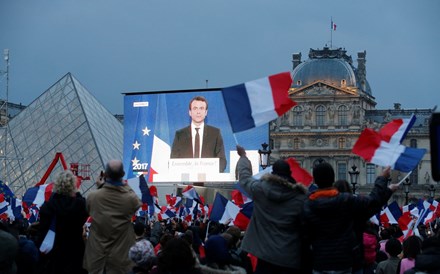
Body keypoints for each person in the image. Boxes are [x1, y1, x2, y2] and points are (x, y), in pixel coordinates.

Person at [303, 162, 398, 274]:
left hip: (319, 262)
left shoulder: (307, 205)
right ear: (333, 178)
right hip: (344, 261)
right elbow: (372, 202)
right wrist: (383, 180)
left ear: (314, 180)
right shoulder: (346, 200)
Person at [235, 145, 308, 274]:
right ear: (290, 175)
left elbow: (245, 178)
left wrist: (243, 157)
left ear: (272, 173)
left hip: (265, 258)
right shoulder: (300, 198)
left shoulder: (260, 190)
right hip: (290, 260)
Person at [83, 160, 142, 274]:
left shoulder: (92, 197)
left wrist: (101, 187)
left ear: (105, 175)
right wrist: (122, 185)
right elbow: (136, 200)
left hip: (97, 259)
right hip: (120, 260)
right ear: (123, 175)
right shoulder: (130, 199)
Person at [36, 170, 88, 274]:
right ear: (73, 186)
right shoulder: (81, 204)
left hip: (54, 252)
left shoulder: (48, 206)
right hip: (76, 252)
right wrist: (77, 194)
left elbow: (42, 230)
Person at [171, 96, 227, 172]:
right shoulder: (180, 135)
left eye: (201, 108)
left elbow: (222, 161)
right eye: (195, 108)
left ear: (206, 112)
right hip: (186, 182)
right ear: (190, 112)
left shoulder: (215, 133)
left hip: (208, 181)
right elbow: (174, 161)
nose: (198, 112)